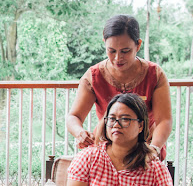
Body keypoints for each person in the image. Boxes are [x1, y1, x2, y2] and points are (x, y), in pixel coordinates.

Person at [67, 15, 172, 160]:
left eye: (125, 51)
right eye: (111, 51)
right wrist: (80, 133)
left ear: (138, 45)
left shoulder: (155, 74)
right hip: (106, 148)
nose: (117, 58)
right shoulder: (93, 76)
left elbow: (164, 120)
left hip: (145, 148)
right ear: (104, 43)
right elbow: (74, 116)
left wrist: (154, 148)